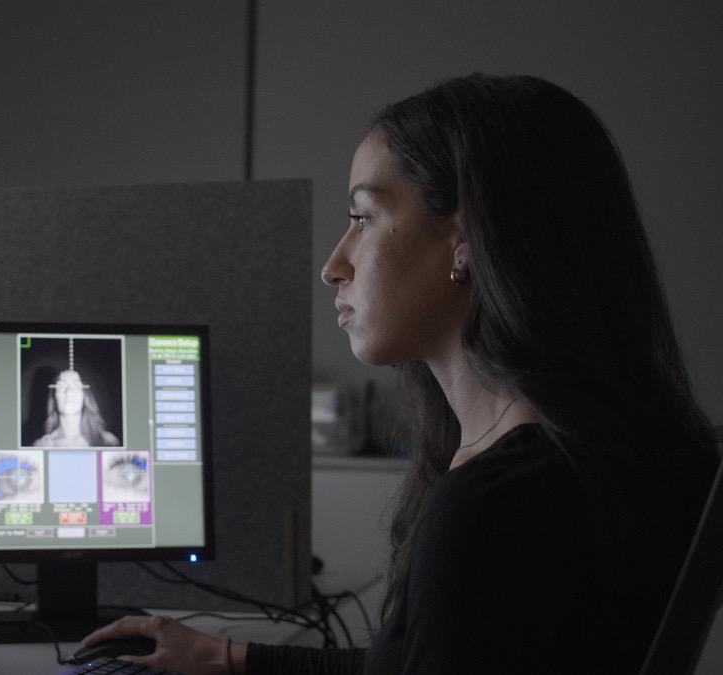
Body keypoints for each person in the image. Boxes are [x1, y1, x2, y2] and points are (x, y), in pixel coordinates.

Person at [81, 73, 718, 674]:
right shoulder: (606, 459)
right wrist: (227, 658)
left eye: (363, 217)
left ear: (466, 240)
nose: (335, 264)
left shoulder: (495, 509)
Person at [32, 369, 121, 447]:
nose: (69, 391)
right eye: (61, 386)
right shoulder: (41, 446)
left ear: (85, 396)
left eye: (77, 386)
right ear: (54, 399)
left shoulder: (109, 442)